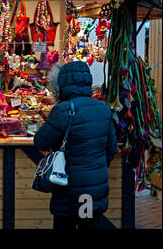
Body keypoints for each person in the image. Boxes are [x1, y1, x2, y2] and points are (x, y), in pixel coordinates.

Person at [34, 61, 118, 229]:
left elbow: (41, 142)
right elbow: (111, 148)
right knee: (90, 224)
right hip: (95, 184)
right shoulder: (103, 109)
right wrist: (97, 168)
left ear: (62, 82)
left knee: (64, 225)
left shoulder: (63, 110)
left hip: (68, 186)